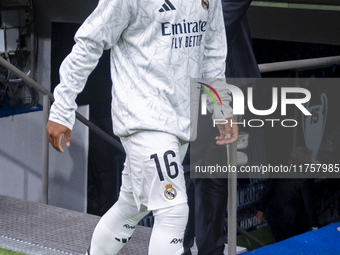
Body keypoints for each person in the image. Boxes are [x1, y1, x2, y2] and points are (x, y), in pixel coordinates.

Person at [45, 0, 238, 254]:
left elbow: (213, 50)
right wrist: (62, 108)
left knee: (133, 206)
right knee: (173, 210)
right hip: (142, 115)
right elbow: (89, 42)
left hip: (180, 120)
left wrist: (222, 109)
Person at [183, 0, 260, 254]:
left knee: (209, 174)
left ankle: (209, 250)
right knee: (184, 171)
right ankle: (179, 243)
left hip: (217, 84)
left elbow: (220, 21)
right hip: (182, 85)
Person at [255, 146, 319, 242]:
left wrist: (261, 210)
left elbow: (267, 191)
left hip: (275, 218)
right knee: (295, 247)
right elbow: (309, 204)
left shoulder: (279, 170)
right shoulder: (305, 179)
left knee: (280, 245)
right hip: (294, 222)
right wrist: (314, 225)